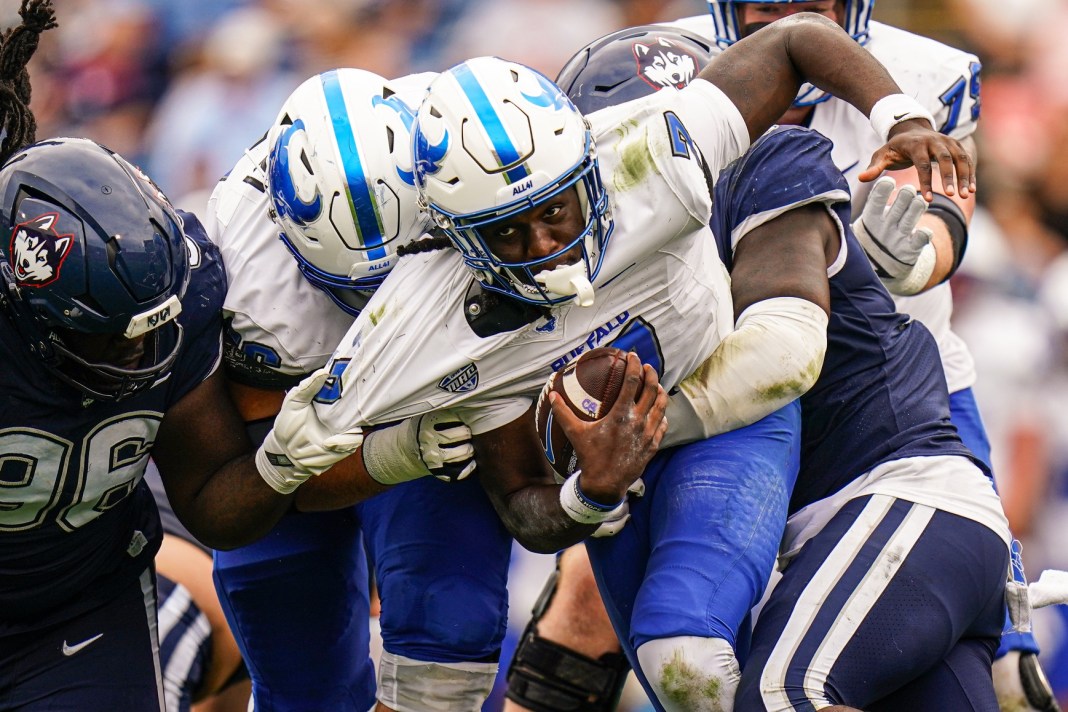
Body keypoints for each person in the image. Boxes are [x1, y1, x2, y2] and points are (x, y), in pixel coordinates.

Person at [250, 13, 983, 711]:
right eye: (507, 231)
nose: (544, 247)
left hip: (805, 453)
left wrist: (902, 120)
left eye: (558, 209)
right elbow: (267, 490)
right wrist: (581, 491)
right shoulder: (432, 319)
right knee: (662, 674)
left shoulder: (676, 157)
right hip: (637, 473)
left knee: (704, 663)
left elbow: (783, 358)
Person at [528, 5, 1057, 711]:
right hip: (799, 467)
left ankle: (1008, 632)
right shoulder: (653, 66)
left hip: (895, 434)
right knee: (618, 623)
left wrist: (914, 251)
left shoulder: (783, 148)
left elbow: (789, 348)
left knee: (782, 690)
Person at [0, 3, 342, 708]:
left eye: (148, 329)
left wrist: (282, 462)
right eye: (105, 336)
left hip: (77, 614)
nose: (137, 354)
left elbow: (211, 504)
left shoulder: (175, 299)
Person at [204, 67, 511, 711]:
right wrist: (389, 454)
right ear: (286, 232)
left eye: (398, 275)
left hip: (437, 397)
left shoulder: (476, 152)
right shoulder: (243, 276)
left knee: (447, 638)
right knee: (296, 663)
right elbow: (263, 479)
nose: (381, 311)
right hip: (314, 425)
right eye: (356, 289)